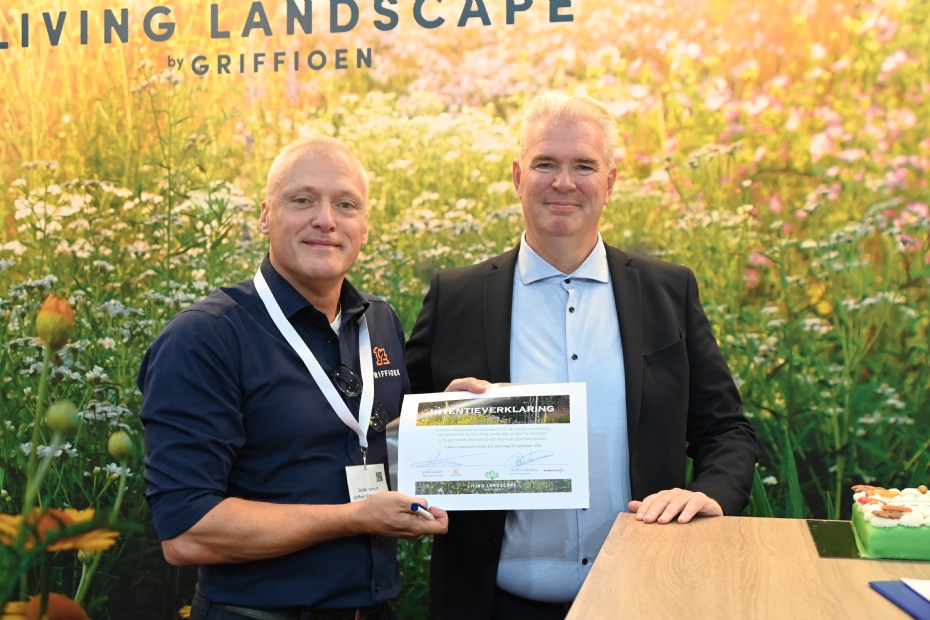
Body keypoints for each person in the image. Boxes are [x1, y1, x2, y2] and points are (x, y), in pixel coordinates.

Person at [405, 93, 756, 619]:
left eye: (583, 166)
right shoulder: (456, 297)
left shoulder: (668, 292)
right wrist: (436, 430)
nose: (563, 183)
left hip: (645, 600)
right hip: (492, 605)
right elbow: (389, 437)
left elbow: (726, 430)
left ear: (610, 181)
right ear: (518, 177)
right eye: (546, 164)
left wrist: (712, 494)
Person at [139, 135, 448, 620]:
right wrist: (352, 519)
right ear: (266, 215)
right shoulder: (206, 338)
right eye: (302, 200)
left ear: (364, 228)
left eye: (345, 204)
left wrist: (453, 414)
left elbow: (381, 441)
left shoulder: (378, 321)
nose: (325, 219)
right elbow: (187, 532)